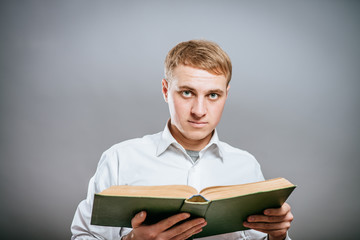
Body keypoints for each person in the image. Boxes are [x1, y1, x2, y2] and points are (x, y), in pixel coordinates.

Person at [71, 39, 293, 240]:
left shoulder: (246, 165)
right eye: (187, 93)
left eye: (213, 95)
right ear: (166, 90)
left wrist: (278, 236)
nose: (199, 110)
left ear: (227, 95)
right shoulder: (120, 159)